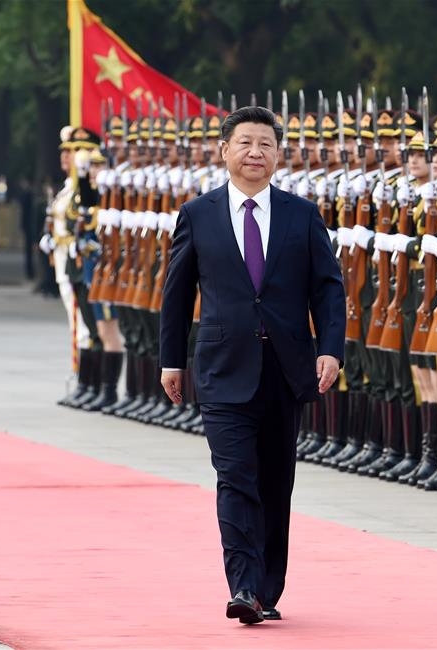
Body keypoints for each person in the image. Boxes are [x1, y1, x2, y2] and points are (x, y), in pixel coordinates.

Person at [159, 106, 346, 624]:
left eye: (265, 144)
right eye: (245, 143)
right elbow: (176, 295)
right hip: (222, 368)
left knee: (274, 481)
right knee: (234, 477)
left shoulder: (301, 215)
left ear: (278, 154)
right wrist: (170, 361)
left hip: (285, 370)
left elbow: (328, 290)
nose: (255, 153)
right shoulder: (197, 214)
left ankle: (268, 585)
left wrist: (330, 348)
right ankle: (243, 586)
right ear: (224, 150)